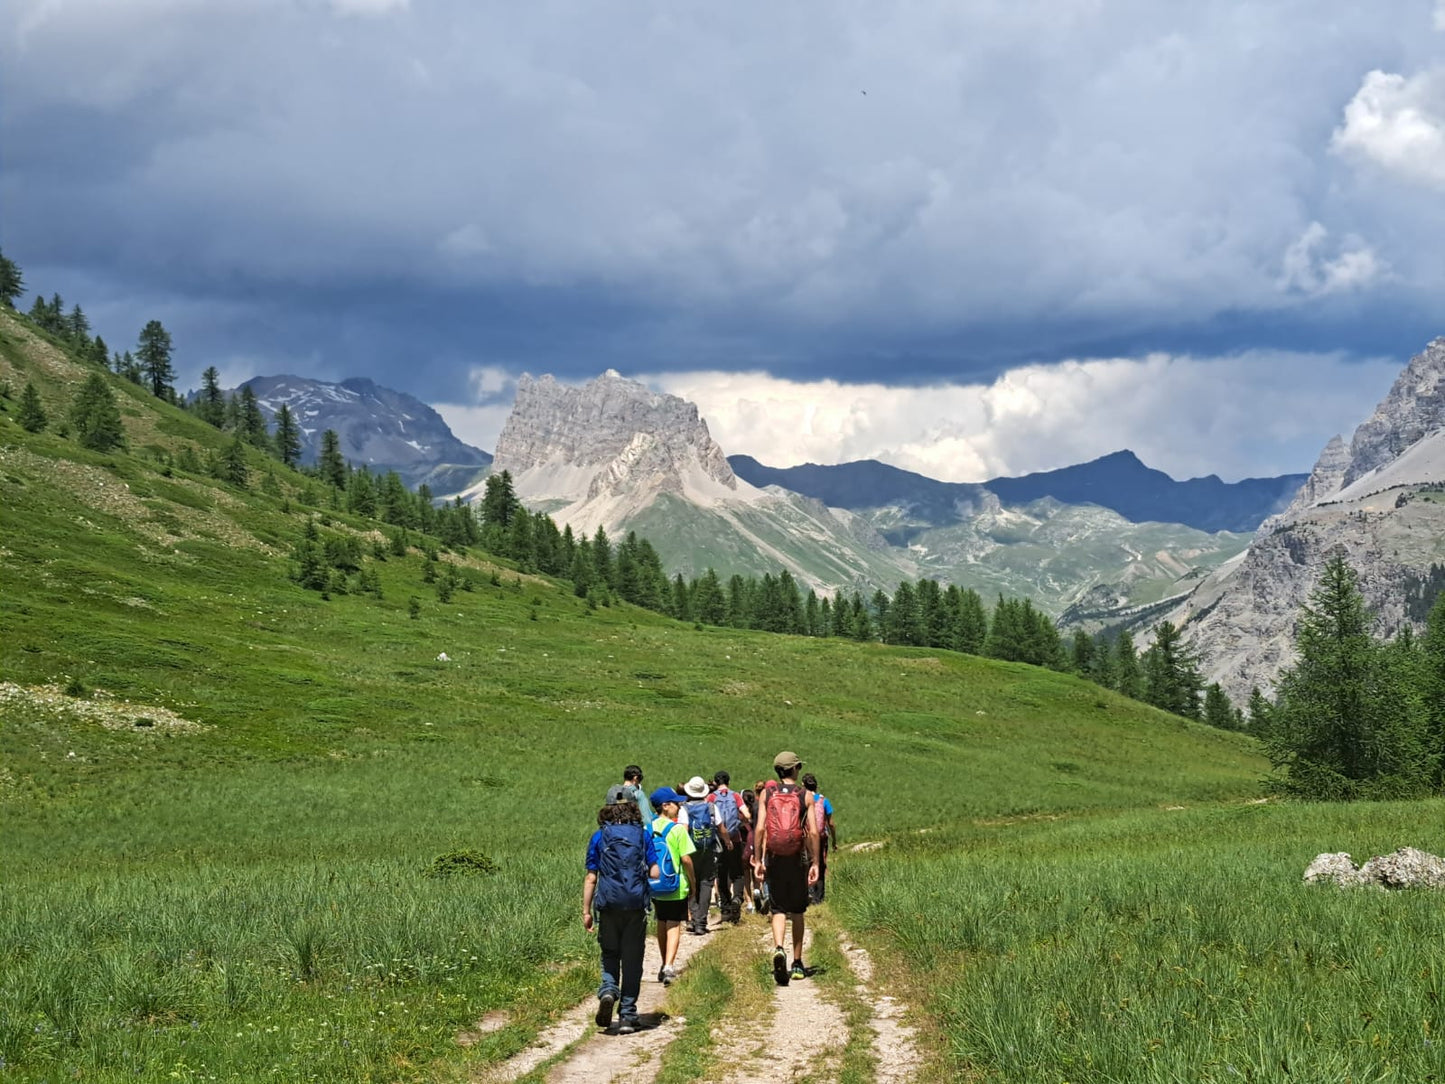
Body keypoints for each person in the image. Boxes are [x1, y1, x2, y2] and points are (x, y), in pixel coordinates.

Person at [583, 802, 661, 1034]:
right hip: (635, 907)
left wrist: (586, 911)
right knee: (632, 960)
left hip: (608, 906)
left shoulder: (600, 837)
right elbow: (655, 871)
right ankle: (627, 1015)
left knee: (609, 953)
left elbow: (590, 878)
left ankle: (608, 990)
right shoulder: (643, 835)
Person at [753, 751, 821, 985]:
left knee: (778, 909)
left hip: (774, 856)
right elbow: (812, 831)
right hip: (797, 857)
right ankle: (798, 962)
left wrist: (759, 859)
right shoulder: (806, 795)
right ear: (795, 769)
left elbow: (760, 828)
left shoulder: (767, 793)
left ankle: (779, 947)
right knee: (798, 911)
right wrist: (815, 862)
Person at [649, 786, 696, 985]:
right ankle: (669, 966)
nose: (679, 807)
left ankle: (662, 963)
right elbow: (686, 859)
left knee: (661, 921)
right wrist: (693, 883)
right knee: (674, 924)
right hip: (676, 885)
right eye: (676, 804)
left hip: (654, 884)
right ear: (665, 806)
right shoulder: (677, 829)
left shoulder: (647, 828)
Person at [681, 776, 729, 935]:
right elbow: (721, 828)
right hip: (708, 850)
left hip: (690, 851)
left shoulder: (684, 809)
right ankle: (702, 922)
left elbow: (683, 830)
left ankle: (693, 919)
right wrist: (728, 841)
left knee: (691, 883)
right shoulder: (711, 807)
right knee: (706, 883)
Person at [708, 770, 750, 922]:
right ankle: (737, 899)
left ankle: (725, 908)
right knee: (737, 872)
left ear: (715, 782)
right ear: (728, 781)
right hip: (736, 839)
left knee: (721, 873)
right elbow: (747, 814)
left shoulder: (711, 797)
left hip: (718, 841)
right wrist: (740, 823)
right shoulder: (735, 796)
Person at [802, 773, 835, 904]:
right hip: (821, 837)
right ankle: (819, 898)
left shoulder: (803, 800)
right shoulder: (824, 801)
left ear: (803, 785)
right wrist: (834, 840)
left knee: (807, 863)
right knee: (820, 864)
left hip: (806, 836)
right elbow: (831, 823)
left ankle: (808, 892)